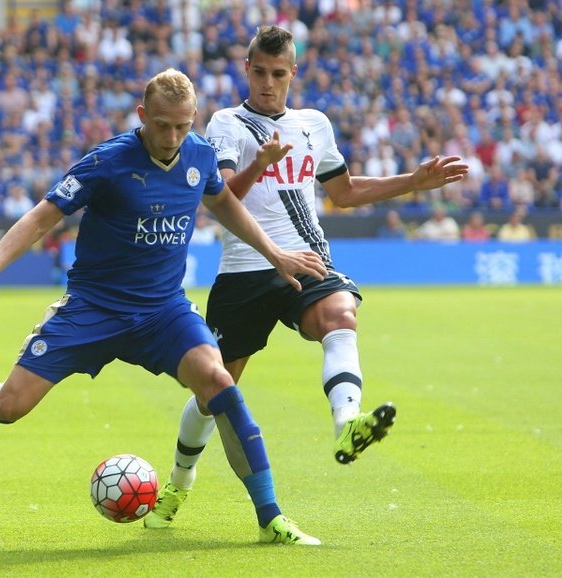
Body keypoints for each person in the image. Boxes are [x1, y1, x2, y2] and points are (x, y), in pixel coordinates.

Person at [0, 69, 327, 546]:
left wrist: (275, 253)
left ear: (192, 120)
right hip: (93, 310)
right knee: (11, 407)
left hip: (163, 312)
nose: (172, 137)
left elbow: (223, 204)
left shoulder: (198, 154)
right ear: (142, 116)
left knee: (220, 383)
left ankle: (270, 517)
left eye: (181, 126)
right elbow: (41, 216)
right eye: (161, 125)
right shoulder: (107, 162)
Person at [144, 26, 468, 529]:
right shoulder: (225, 124)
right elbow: (222, 198)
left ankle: (347, 423)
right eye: (259, 72)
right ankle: (179, 484)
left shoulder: (314, 124)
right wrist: (261, 163)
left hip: (308, 260)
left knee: (341, 315)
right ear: (246, 70)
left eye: (278, 74)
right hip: (247, 270)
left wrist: (414, 181)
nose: (268, 83)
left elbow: (345, 191)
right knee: (215, 392)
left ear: (293, 73)